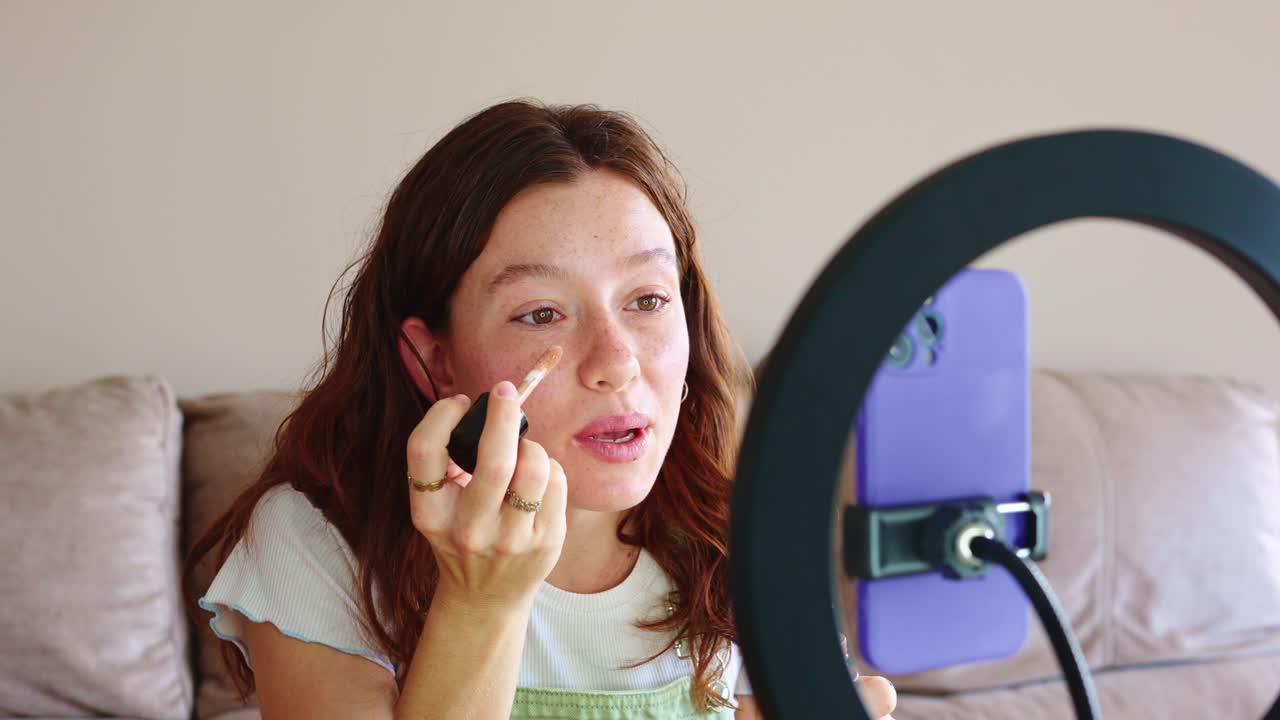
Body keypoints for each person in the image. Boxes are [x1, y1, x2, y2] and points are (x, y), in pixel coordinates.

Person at [184, 98, 897, 719]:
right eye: (541, 314)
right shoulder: (317, 542)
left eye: (647, 299)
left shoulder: (749, 547)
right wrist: (480, 602)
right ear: (434, 359)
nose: (617, 362)